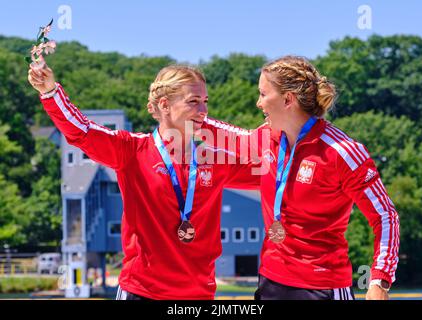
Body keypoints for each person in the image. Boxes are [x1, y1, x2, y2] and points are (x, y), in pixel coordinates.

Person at [27, 63, 261, 300]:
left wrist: (207, 126)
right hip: (142, 292)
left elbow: (271, 162)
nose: (203, 110)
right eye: (193, 101)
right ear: (164, 105)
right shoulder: (132, 151)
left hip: (198, 296)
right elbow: (82, 131)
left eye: (205, 102)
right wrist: (50, 92)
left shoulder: (215, 160)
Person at [251, 56, 400, 300]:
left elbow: (385, 216)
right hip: (270, 282)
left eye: (263, 94)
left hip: (322, 287)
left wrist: (379, 281)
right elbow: (226, 138)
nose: (258, 103)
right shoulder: (266, 138)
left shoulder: (343, 152)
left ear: (288, 99)